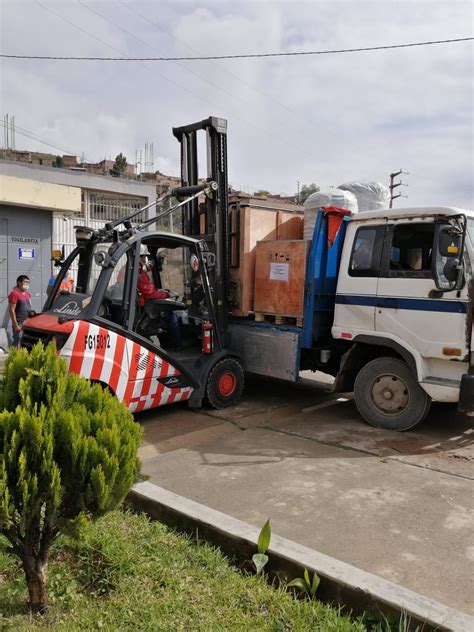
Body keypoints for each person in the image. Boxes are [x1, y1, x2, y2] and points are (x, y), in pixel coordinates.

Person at [8, 275, 32, 347]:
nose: (27, 284)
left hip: (27, 322)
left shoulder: (28, 294)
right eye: (25, 282)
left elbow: (29, 306)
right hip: (19, 323)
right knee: (18, 341)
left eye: (28, 282)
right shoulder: (14, 293)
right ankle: (14, 357)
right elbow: (11, 310)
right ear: (19, 282)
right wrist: (16, 325)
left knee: (26, 342)